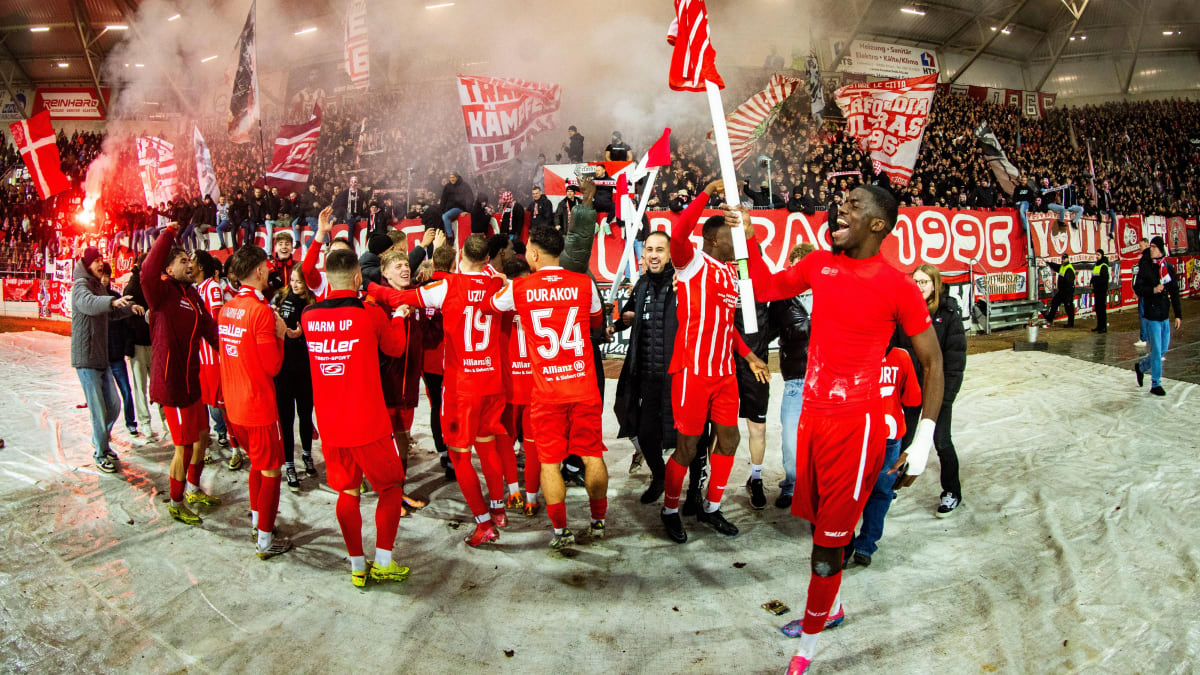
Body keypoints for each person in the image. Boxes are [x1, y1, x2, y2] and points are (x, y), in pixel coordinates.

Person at [743, 185, 944, 675]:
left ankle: (806, 651)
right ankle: (830, 607)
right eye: (842, 202)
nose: (841, 208)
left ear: (878, 224)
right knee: (817, 527)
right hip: (813, 417)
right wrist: (748, 237)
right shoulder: (819, 265)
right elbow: (765, 286)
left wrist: (923, 441)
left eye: (854, 205)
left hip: (858, 428)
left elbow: (934, 363)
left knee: (826, 548)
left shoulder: (897, 285)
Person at [659, 179, 769, 544]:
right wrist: (706, 191)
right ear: (713, 239)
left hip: (724, 374)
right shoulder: (691, 263)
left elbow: (725, 324)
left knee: (730, 439)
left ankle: (711, 507)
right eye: (730, 236)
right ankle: (670, 510)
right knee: (687, 448)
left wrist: (749, 355)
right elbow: (678, 233)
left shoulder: (730, 272)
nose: (736, 241)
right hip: (693, 372)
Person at [487, 225, 610, 549]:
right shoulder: (584, 282)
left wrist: (501, 282)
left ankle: (561, 531)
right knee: (592, 456)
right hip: (583, 387)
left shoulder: (521, 288)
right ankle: (598, 522)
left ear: (534, 253)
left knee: (550, 462)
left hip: (547, 392)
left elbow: (492, 306)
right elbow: (597, 323)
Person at [383, 234, 508, 547]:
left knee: (459, 455)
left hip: (461, 387)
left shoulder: (448, 286)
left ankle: (483, 523)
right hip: (491, 381)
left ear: (460, 254)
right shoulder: (497, 284)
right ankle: (498, 509)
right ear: (487, 259)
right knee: (488, 446)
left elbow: (399, 299)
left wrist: (370, 287)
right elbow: (498, 279)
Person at [302, 248, 413, 587]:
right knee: (391, 487)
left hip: (331, 423)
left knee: (347, 492)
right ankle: (383, 561)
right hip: (367, 422)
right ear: (357, 278)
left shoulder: (308, 316)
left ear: (328, 277)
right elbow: (396, 347)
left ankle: (357, 566)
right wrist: (399, 317)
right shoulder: (369, 313)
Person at [141, 225, 221, 523]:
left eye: (191, 261)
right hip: (171, 384)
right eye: (183, 261)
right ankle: (175, 502)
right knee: (184, 445)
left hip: (192, 381)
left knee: (202, 436)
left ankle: (193, 489)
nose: (190, 265)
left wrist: (232, 354)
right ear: (169, 269)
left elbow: (211, 330)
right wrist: (167, 235)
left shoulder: (193, 296)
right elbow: (147, 272)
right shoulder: (160, 293)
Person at [219, 245, 292, 560]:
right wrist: (280, 335)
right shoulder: (260, 312)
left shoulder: (227, 308)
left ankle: (256, 522)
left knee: (257, 466)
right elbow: (272, 366)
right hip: (258, 407)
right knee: (272, 472)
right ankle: (265, 539)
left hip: (235, 406)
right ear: (260, 270)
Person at [844, 341, 921, 567]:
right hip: (890, 435)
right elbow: (913, 399)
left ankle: (843, 549)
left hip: (857, 435)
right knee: (881, 492)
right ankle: (866, 546)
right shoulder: (901, 356)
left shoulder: (849, 352)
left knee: (848, 493)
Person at [71, 247, 141, 473]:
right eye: (96, 260)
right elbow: (89, 304)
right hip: (86, 358)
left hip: (102, 357)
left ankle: (100, 441)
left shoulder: (98, 286)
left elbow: (110, 312)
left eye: (102, 259)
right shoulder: (80, 286)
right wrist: (111, 302)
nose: (101, 263)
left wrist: (130, 308)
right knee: (99, 410)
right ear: (87, 264)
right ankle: (100, 453)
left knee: (113, 405)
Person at [770, 243, 815, 509]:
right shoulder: (782, 301)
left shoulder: (831, 293)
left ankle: (820, 487)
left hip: (826, 382)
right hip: (796, 381)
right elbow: (763, 333)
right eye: (794, 267)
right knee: (790, 439)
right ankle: (792, 485)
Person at [193, 251, 237, 466]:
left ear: (200, 266)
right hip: (201, 358)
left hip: (214, 359)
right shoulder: (196, 289)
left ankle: (236, 447)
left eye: (192, 261)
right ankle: (205, 446)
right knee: (202, 404)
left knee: (223, 406)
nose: (189, 265)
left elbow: (216, 321)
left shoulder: (213, 288)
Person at [275, 266, 316, 490]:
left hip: (305, 369)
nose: (294, 284)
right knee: (286, 419)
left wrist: (302, 335)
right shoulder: (280, 298)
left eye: (299, 281)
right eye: (292, 280)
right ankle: (289, 464)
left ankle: (307, 455)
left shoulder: (313, 303)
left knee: (305, 415)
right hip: (283, 370)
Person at [1133, 236, 1182, 397]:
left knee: (1163, 349)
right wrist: (1153, 290)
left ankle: (1141, 367)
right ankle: (1156, 383)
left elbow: (1174, 291)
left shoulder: (1167, 266)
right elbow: (1138, 287)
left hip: (1164, 314)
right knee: (1156, 350)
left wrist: (1178, 314)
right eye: (1151, 246)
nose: (1151, 249)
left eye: (1154, 247)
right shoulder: (1146, 266)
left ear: (1160, 249)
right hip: (1151, 315)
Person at [123, 253, 159, 441]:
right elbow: (126, 317)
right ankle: (145, 423)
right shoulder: (132, 286)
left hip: (153, 342)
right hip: (138, 344)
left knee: (158, 384)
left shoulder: (152, 284)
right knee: (140, 386)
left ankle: (166, 419)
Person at [102, 264, 139, 441]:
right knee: (105, 397)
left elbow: (126, 326)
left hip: (116, 355)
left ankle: (131, 422)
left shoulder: (117, 297)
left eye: (106, 276)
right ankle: (104, 430)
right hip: (101, 358)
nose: (104, 279)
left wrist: (126, 347)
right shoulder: (94, 300)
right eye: (101, 275)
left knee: (125, 390)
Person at [439, 171, 474, 240]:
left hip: (460, 208)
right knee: (442, 215)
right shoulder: (447, 186)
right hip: (449, 209)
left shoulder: (464, 185)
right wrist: (441, 210)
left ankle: (450, 237)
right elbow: (443, 199)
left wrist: (467, 211)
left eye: (453, 177)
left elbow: (470, 198)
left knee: (445, 216)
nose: (452, 179)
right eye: (450, 177)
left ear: (457, 177)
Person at [1044, 254, 1076, 328]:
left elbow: (1069, 283)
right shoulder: (1062, 267)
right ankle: (1050, 318)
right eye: (1062, 259)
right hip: (1062, 291)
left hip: (1067, 292)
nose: (1063, 260)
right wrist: (1050, 263)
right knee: (1055, 302)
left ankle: (1071, 323)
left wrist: (1068, 295)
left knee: (1068, 307)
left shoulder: (1069, 269)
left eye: (1064, 259)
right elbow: (1056, 267)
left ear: (1067, 259)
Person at [1134, 237, 1150, 348]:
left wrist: (1138, 289)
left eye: (1141, 246)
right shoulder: (1149, 257)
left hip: (1144, 291)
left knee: (1143, 313)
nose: (1139, 248)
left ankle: (1144, 338)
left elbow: (1142, 276)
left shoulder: (1145, 259)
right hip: (1148, 290)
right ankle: (1146, 337)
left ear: (1146, 245)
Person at [1091, 249, 1111, 334]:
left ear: (1102, 255)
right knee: (1098, 309)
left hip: (1101, 290)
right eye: (1096, 255)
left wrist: (1095, 284)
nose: (1097, 256)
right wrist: (1091, 283)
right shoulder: (1096, 265)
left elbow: (1104, 279)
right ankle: (1099, 326)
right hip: (1096, 290)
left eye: (1098, 255)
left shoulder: (1103, 266)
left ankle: (1103, 327)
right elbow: (1093, 276)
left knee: (1102, 309)